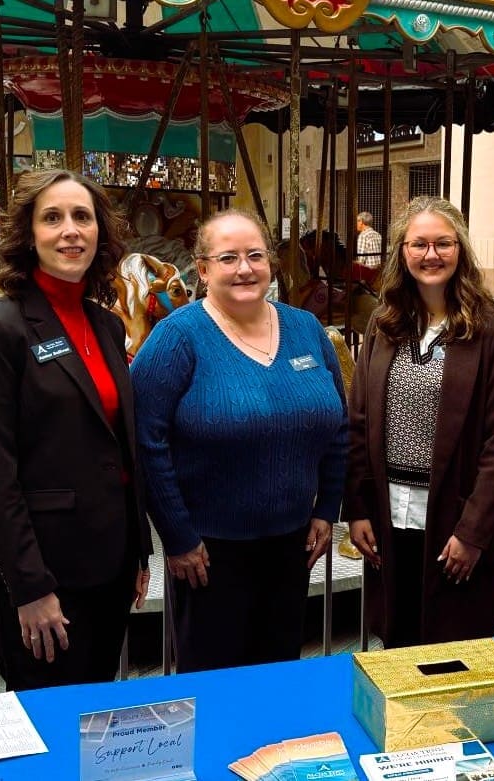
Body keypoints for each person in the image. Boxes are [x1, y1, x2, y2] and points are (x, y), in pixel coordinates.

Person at [0, 169, 152, 691]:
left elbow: (121, 446)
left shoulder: (106, 325)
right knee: (48, 735)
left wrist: (138, 551)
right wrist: (30, 586)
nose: (71, 231)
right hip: (44, 575)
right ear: (28, 234)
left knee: (92, 723)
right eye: (53, 218)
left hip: (108, 569)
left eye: (82, 217)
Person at [131, 208, 348, 673]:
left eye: (255, 255)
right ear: (203, 268)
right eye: (228, 257)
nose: (244, 268)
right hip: (208, 554)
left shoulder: (307, 330)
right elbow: (146, 442)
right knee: (214, 686)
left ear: (271, 263)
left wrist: (327, 508)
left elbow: (337, 426)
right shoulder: (177, 339)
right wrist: (178, 536)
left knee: (278, 674)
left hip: (292, 548)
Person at [343, 195, 494, 648]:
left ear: (460, 249)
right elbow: (360, 422)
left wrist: (474, 532)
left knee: (453, 651)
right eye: (419, 244)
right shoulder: (384, 325)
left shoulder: (489, 329)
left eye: (443, 243)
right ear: (402, 251)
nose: (431, 255)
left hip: (454, 522)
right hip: (389, 519)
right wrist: (359, 508)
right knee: (397, 646)